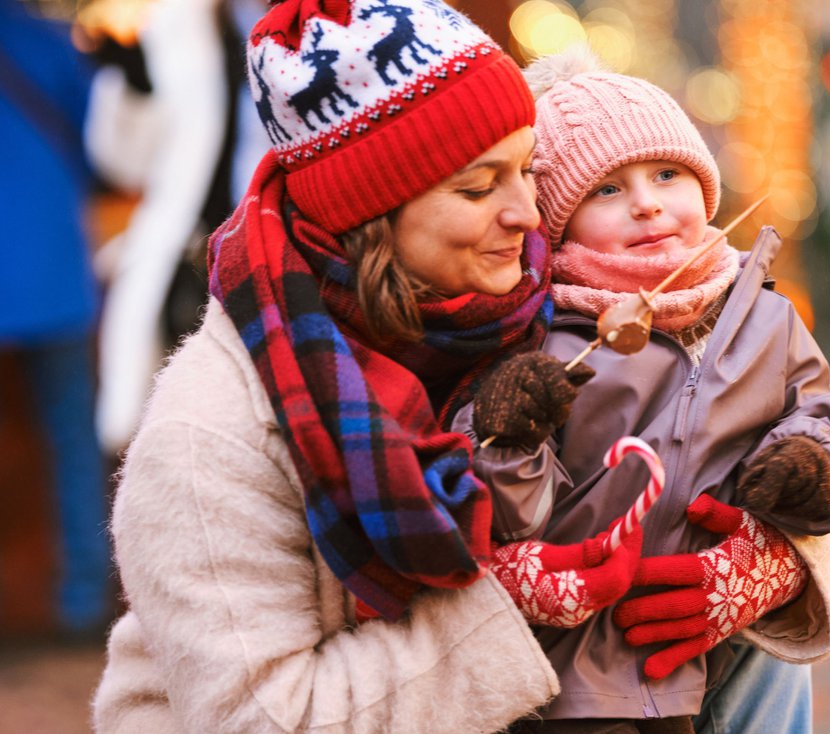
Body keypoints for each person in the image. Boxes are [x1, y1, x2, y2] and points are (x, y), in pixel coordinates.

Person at [92, 3, 650, 731]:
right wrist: (512, 609)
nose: (526, 212)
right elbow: (265, 720)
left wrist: (771, 566)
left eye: (526, 170)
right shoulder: (212, 431)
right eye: (478, 188)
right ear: (372, 214)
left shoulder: (536, 308)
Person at [459, 47, 830, 733]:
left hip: (725, 644)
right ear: (557, 219)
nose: (647, 204)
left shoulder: (762, 316)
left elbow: (821, 412)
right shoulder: (548, 334)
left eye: (667, 174)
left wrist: (811, 462)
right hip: (580, 670)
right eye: (607, 190)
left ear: (704, 187)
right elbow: (518, 515)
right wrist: (511, 442)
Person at [88, 0, 272, 456]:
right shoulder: (172, 19)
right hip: (191, 272)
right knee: (180, 442)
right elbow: (122, 165)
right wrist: (135, 88)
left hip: (280, 264)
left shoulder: (326, 22)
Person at [0, 0, 112, 638]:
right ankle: (81, 599)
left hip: (41, 275)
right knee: (73, 440)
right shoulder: (55, 43)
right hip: (51, 272)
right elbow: (105, 151)